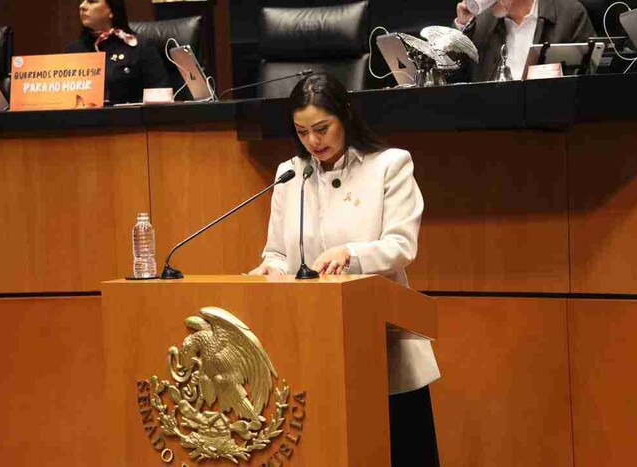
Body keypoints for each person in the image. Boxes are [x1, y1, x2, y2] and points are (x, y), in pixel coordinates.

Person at [249, 73, 441, 466]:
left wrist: (350, 254)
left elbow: (401, 246)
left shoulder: (389, 165)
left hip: (379, 339)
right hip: (308, 343)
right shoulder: (291, 174)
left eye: (322, 128)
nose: (313, 142)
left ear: (346, 117)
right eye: (302, 132)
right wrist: (269, 269)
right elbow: (277, 252)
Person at [454, 0, 596, 81]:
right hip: (493, 120)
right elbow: (453, 77)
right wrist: (463, 27)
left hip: (552, 119)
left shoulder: (569, 13)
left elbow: (593, 73)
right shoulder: (481, 22)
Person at [66, 0, 169, 104]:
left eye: (92, 1)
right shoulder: (74, 50)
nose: (82, 6)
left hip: (129, 117)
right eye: (82, 1)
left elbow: (161, 96)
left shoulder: (139, 46)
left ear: (112, 10)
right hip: (84, 118)